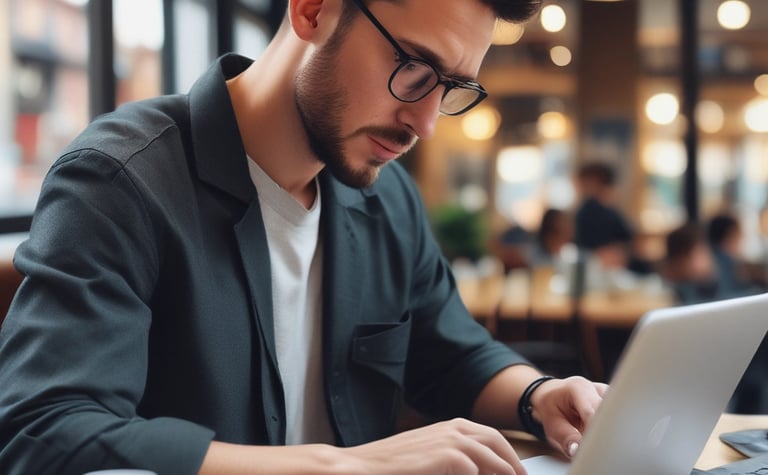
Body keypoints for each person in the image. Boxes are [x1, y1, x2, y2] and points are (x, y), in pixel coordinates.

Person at [0, 1, 607, 474]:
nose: (425, 123)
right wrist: (343, 465)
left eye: (450, 88)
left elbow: (450, 351)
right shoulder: (120, 182)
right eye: (414, 68)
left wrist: (538, 395)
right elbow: (49, 438)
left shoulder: (387, 199)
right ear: (313, 11)